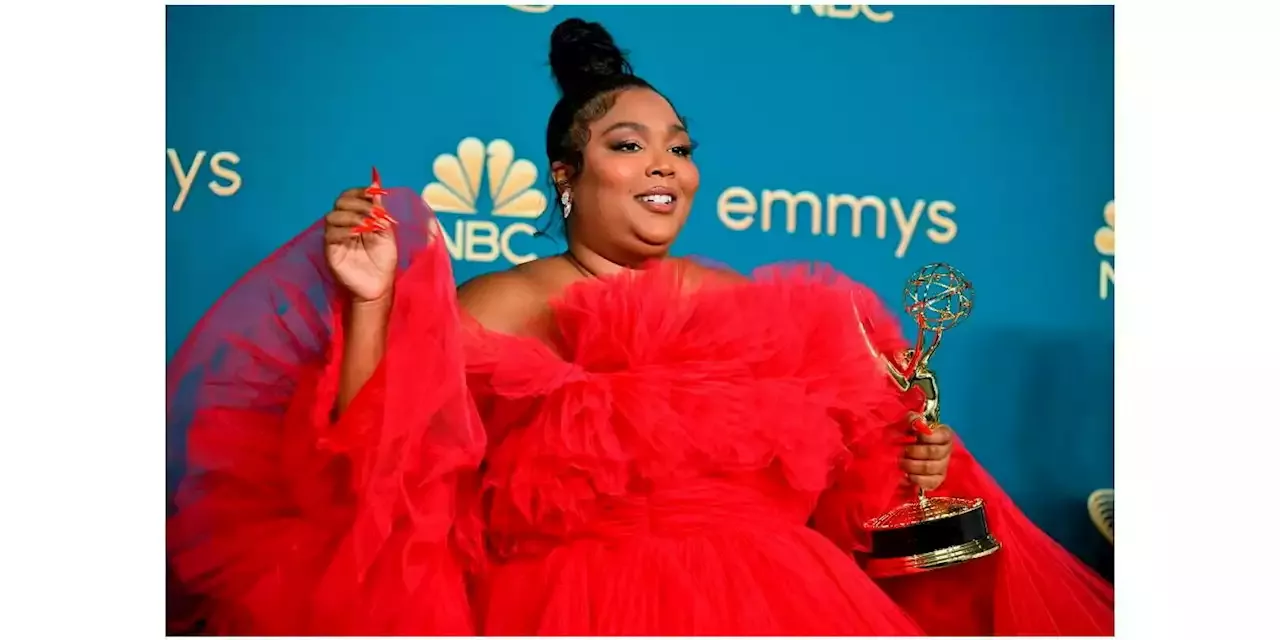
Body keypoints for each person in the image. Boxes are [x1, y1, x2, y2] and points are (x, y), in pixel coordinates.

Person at [165, 17, 1115, 636]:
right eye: (628, 145)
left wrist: (915, 465)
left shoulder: (753, 302)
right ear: (567, 177)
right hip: (571, 609)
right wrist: (372, 301)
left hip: (791, 605)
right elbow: (379, 477)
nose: (667, 166)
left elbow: (850, 489)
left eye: (681, 147)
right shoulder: (497, 304)